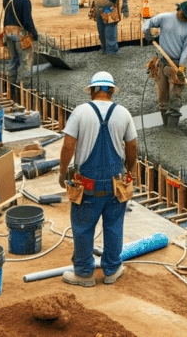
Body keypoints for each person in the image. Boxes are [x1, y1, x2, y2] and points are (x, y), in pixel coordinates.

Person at [58, 71, 137, 287]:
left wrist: (63, 171)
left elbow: (68, 145)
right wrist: (130, 170)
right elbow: (132, 147)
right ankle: (112, 270)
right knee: (114, 226)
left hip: (87, 184)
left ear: (92, 90)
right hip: (115, 183)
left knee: (83, 227)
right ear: (110, 91)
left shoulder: (81, 112)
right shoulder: (123, 113)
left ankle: (84, 274)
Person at [142, 2, 187, 130]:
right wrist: (148, 35)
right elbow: (147, 24)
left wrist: (181, 68)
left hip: (177, 65)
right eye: (186, 15)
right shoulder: (165, 18)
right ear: (180, 11)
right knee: (163, 98)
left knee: (175, 98)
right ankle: (166, 126)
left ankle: (172, 130)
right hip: (162, 63)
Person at [1, 0, 39, 79]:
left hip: (7, 33)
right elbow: (27, 21)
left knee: (14, 59)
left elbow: (9, 13)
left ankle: (12, 86)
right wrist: (35, 35)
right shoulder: (25, 0)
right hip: (19, 35)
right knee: (25, 61)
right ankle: (24, 86)